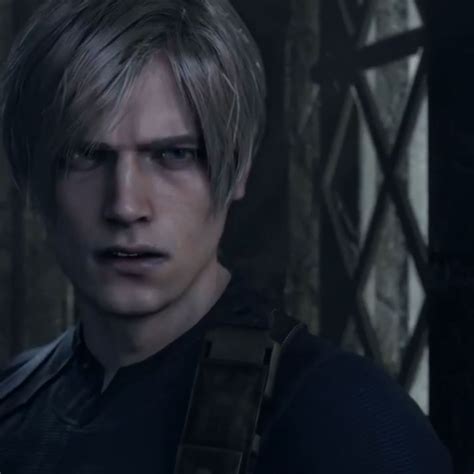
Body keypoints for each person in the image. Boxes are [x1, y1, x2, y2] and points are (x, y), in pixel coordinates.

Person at [0, 0, 452, 472]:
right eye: (86, 156)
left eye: (174, 155)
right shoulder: (13, 403)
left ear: (237, 170)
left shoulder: (349, 423)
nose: (126, 206)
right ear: (36, 182)